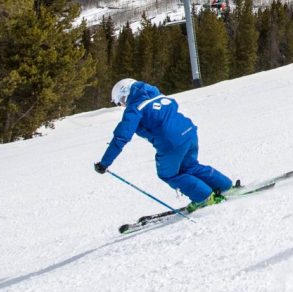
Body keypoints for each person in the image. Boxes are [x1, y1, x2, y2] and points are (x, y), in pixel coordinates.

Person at [94, 78, 236, 211]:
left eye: (120, 102)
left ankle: (204, 198)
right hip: (189, 133)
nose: (122, 105)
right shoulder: (158, 95)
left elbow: (121, 137)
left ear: (125, 94)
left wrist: (105, 163)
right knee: (190, 167)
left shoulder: (135, 108)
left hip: (171, 143)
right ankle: (224, 186)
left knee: (168, 174)